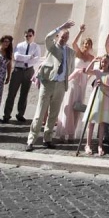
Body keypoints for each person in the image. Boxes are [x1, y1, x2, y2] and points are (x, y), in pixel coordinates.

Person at [25, 20, 76, 152]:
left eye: (66, 37)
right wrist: (61, 27)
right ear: (58, 36)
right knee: (40, 113)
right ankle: (31, 139)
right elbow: (48, 37)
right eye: (62, 36)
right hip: (48, 83)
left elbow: (71, 68)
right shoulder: (52, 47)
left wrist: (65, 78)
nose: (63, 39)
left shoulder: (70, 52)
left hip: (60, 85)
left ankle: (47, 139)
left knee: (54, 114)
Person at [56, 25, 95, 142]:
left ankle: (72, 133)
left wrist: (85, 82)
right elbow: (73, 43)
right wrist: (80, 31)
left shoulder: (92, 57)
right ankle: (63, 132)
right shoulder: (77, 53)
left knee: (77, 108)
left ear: (91, 46)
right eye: (85, 43)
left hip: (81, 84)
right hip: (73, 81)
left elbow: (90, 73)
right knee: (68, 106)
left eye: (88, 44)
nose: (86, 45)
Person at [2, 28, 39, 123]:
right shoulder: (19, 45)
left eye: (30, 35)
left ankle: (20, 114)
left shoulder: (36, 47)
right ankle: (6, 115)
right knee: (12, 93)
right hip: (18, 71)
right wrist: (29, 57)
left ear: (33, 36)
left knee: (24, 94)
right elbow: (16, 57)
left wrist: (25, 59)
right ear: (24, 36)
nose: (28, 37)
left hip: (29, 71)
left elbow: (36, 59)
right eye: (26, 35)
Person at [81, 55, 109, 156]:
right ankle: (88, 144)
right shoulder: (97, 71)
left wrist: (103, 85)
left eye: (106, 62)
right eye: (102, 62)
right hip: (96, 98)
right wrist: (93, 61)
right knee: (91, 121)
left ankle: (100, 145)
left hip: (105, 99)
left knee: (102, 123)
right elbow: (86, 71)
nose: (103, 64)